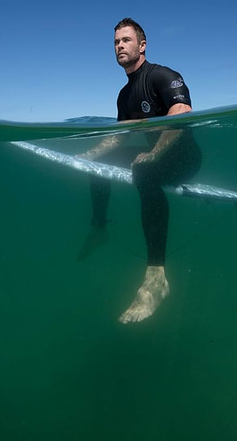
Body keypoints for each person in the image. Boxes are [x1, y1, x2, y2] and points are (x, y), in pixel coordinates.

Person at [78, 18, 201, 323]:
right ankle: (99, 229)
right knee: (100, 164)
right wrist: (87, 156)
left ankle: (157, 276)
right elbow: (119, 136)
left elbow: (182, 113)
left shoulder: (163, 76)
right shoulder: (125, 94)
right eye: (116, 42)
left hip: (184, 160)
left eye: (126, 41)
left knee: (144, 172)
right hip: (155, 156)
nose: (119, 46)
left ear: (142, 45)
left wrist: (155, 152)